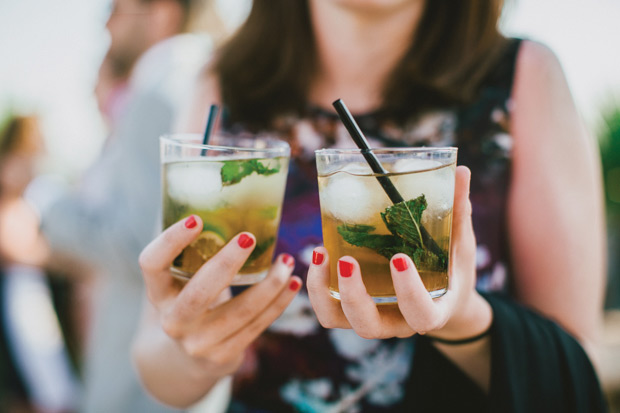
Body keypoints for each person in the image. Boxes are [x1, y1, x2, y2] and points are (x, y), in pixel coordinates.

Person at [133, 0, 608, 411]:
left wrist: (463, 318)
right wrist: (194, 352)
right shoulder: (225, 83)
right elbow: (156, 361)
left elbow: (572, 373)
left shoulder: (523, 77)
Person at [1, 1, 218, 411]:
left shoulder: (161, 81)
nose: (106, 21)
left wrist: (41, 209)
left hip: (142, 382)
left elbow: (144, 239)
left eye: (118, 7)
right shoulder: (195, 75)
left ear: (163, 13)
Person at [0, 115, 81, 412]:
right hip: (20, 293)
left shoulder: (32, 196)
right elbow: (15, 248)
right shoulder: (11, 202)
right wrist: (57, 258)